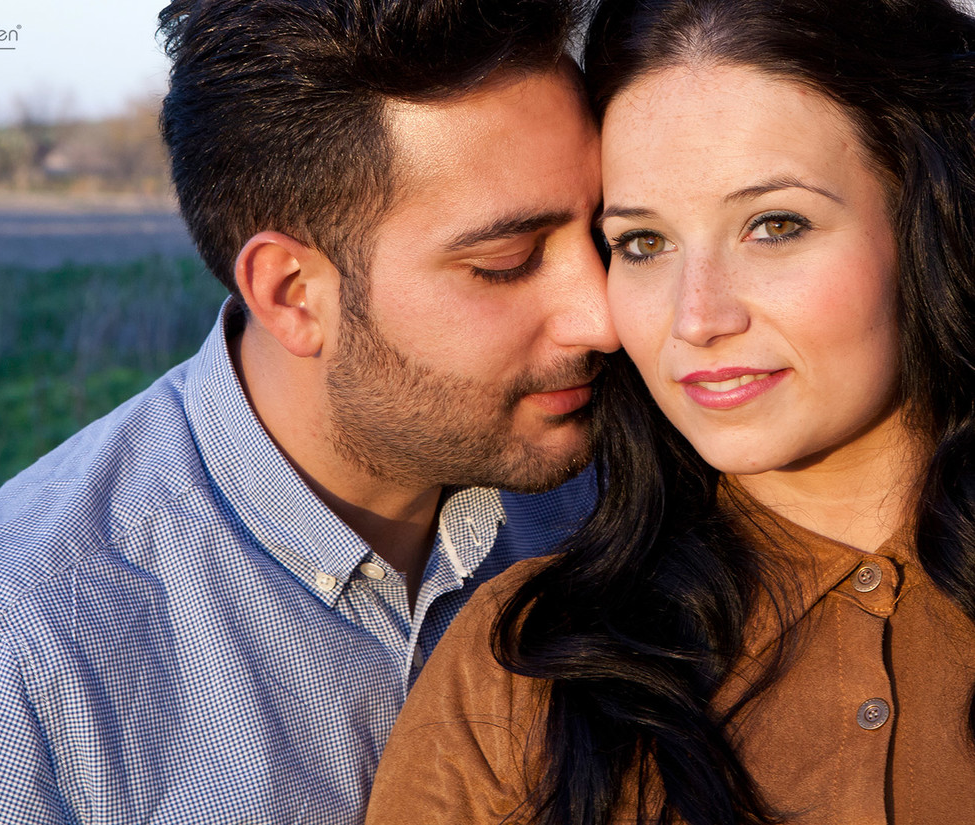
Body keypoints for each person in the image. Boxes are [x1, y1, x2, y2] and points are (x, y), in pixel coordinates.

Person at [0, 0, 615, 822]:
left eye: (614, 234)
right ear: (293, 295)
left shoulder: (623, 483)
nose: (604, 316)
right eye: (507, 262)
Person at [366, 0, 975, 822]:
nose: (698, 317)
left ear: (928, 217)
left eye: (774, 224)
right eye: (643, 243)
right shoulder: (522, 665)